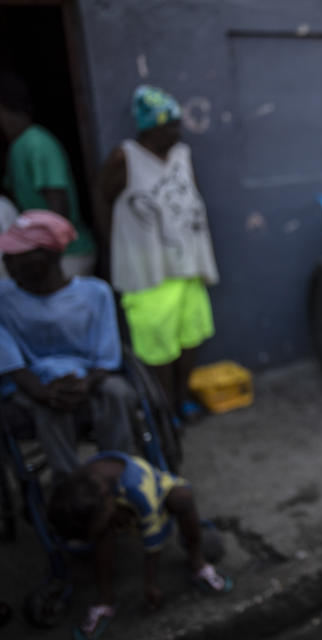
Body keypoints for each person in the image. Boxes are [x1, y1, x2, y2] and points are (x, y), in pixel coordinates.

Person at [96, 85, 219, 419]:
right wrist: (114, 248)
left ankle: (181, 400)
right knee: (157, 349)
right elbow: (102, 200)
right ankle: (165, 410)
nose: (175, 132)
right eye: (169, 126)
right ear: (149, 127)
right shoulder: (125, 157)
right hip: (148, 274)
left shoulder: (182, 154)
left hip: (187, 266)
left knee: (189, 337)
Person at [0, 211, 137, 478]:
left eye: (17, 255)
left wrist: (86, 384)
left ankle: (119, 473)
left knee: (118, 393)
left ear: (49, 257)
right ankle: (71, 484)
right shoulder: (3, 300)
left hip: (91, 380)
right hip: (31, 386)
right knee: (48, 405)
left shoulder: (95, 294)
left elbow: (107, 358)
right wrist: (43, 392)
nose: (7, 262)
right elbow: (11, 362)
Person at [47, 450, 233, 639]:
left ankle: (198, 562)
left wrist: (150, 584)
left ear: (108, 501)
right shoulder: (84, 483)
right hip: (118, 505)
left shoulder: (139, 490)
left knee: (182, 496)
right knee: (102, 533)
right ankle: (105, 600)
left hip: (157, 496)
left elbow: (153, 541)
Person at [0, 71, 97, 277]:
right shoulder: (17, 147)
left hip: (67, 254)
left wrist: (50, 257)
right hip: (45, 254)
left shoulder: (37, 143)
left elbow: (58, 202)